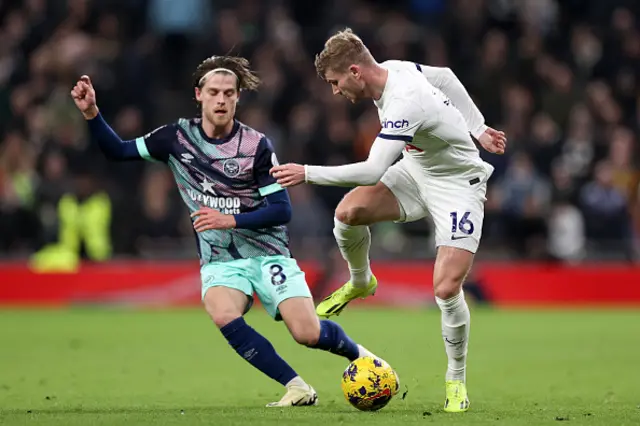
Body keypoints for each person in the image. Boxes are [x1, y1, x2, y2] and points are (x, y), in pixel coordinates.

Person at [70, 55, 384, 407]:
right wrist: (91, 114)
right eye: (214, 92)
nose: (221, 100)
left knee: (307, 333)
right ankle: (296, 387)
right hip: (220, 260)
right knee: (222, 312)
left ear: (237, 98)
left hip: (268, 254)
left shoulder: (256, 146)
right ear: (198, 95)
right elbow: (117, 151)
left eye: (229, 93)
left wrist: (228, 220)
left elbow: (282, 210)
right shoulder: (175, 138)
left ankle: (361, 355)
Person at [270, 29, 507, 413]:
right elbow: (444, 74)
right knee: (347, 214)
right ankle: (361, 281)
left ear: (354, 72)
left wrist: (307, 172)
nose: (334, 91)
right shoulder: (395, 69)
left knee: (446, 288)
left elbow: (371, 169)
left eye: (334, 82)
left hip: (458, 186)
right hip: (416, 172)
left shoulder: (404, 101)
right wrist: (478, 128)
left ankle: (456, 379)